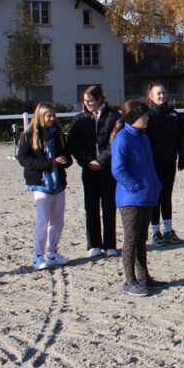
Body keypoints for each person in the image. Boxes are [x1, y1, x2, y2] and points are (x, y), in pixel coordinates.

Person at [110, 101, 166, 297]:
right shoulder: (123, 138)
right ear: (133, 117)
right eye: (144, 115)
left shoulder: (143, 137)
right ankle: (130, 280)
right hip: (131, 198)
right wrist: (135, 186)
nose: (147, 118)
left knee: (142, 238)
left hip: (147, 196)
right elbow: (117, 169)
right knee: (131, 239)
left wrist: (155, 185)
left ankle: (143, 277)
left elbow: (149, 165)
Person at [16, 102, 73, 270]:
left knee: (57, 220)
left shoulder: (59, 134)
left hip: (58, 183)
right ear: (40, 116)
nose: (52, 119)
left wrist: (64, 161)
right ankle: (38, 256)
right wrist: (49, 163)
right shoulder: (28, 136)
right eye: (49, 116)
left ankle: (53, 252)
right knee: (43, 220)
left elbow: (67, 155)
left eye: (53, 115)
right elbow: (24, 159)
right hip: (40, 183)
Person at [67, 86, 121, 258]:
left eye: (91, 100)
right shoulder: (79, 119)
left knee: (108, 206)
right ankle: (94, 243)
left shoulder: (113, 116)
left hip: (107, 168)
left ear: (100, 99)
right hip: (89, 168)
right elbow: (73, 144)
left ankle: (110, 243)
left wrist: (102, 160)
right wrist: (87, 161)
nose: (88, 104)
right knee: (90, 207)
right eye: (85, 101)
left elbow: (115, 141)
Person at [144, 82, 184, 247]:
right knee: (155, 196)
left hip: (170, 160)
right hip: (154, 162)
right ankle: (156, 232)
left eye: (163, 93)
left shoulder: (174, 115)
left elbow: (179, 139)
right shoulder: (148, 116)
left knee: (167, 195)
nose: (161, 96)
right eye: (158, 93)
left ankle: (168, 230)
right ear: (151, 96)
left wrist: (182, 157)